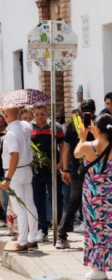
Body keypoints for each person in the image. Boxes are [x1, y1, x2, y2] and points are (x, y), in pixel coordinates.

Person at [72, 113, 112, 280]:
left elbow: (76, 153)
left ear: (97, 129)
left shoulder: (89, 146)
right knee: (109, 230)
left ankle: (98, 269)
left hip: (93, 196)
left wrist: (82, 137)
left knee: (95, 230)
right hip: (109, 194)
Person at [57, 99, 96, 249]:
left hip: (76, 170)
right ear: (94, 111)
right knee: (94, 201)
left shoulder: (73, 126)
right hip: (95, 170)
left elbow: (66, 148)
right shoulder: (96, 126)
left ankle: (61, 235)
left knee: (74, 201)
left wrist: (66, 169)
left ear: (80, 111)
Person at [30, 101, 64, 243]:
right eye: (37, 114)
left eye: (42, 114)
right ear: (33, 114)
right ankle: (42, 229)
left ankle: (60, 229)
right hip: (35, 171)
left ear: (47, 113)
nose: (40, 117)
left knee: (56, 199)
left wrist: (60, 164)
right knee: (38, 201)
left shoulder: (55, 127)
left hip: (52, 170)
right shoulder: (28, 128)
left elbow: (63, 147)